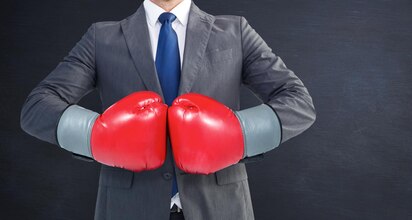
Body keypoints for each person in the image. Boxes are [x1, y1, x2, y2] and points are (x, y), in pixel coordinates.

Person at [19, 0, 316, 219]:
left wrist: (239, 135)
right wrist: (96, 136)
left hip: (221, 207)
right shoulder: (101, 38)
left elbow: (298, 103)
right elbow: (37, 107)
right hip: (128, 209)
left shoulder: (235, 31)